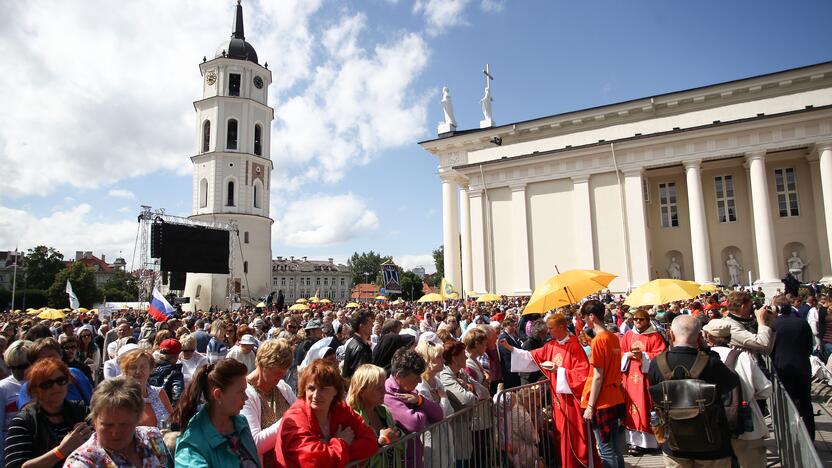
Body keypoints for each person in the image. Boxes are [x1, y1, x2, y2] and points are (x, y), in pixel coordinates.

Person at [500, 312, 600, 468]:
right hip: (558, 400)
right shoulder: (551, 345)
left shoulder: (575, 347)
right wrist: (511, 349)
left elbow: (582, 375)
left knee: (574, 436)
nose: (549, 331)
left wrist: (558, 370)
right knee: (561, 436)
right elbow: (530, 356)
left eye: (551, 328)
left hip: (571, 402)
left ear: (562, 327)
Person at [648, 315, 739, 467]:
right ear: (699, 336)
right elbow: (731, 384)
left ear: (670, 333)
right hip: (712, 444)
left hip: (674, 444)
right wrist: (708, 351)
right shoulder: (711, 362)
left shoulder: (657, 364)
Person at [274, 360, 377, 467]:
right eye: (311, 388)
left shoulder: (341, 409)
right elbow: (314, 462)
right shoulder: (295, 418)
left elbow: (370, 442)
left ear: (336, 391)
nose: (316, 395)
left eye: (323, 389)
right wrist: (341, 442)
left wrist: (329, 450)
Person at [702, 319, 772, 468]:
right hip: (745, 422)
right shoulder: (743, 357)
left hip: (712, 426)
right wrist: (747, 396)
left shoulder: (701, 359)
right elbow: (766, 389)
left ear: (708, 337)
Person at [63, 376, 172, 467]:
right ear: (94, 421)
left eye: (124, 425)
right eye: (107, 425)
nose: (115, 433)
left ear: (138, 418)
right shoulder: (82, 462)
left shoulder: (153, 438)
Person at [4, 358, 91, 468]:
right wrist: (61, 451)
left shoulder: (83, 411)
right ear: (35, 390)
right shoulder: (23, 423)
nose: (56, 387)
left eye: (61, 380)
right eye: (47, 384)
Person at [172, 358, 260, 467]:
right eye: (240, 392)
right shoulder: (191, 445)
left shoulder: (241, 423)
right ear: (218, 395)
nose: (246, 397)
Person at [581, 300, 626, 468]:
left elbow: (598, 376)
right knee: (616, 449)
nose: (584, 320)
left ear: (592, 316)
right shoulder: (612, 337)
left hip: (603, 401)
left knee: (606, 450)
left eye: (585, 317)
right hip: (615, 396)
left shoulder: (599, 340)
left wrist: (590, 406)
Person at [240, 339, 297, 468]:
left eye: (284, 372)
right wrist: (288, 419)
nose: (281, 376)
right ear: (262, 365)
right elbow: (255, 444)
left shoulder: (283, 388)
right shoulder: (244, 394)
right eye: (277, 372)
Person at [385, 348, 444, 466]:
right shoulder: (388, 394)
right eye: (416, 376)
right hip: (403, 462)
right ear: (400, 375)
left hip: (415, 459)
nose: (420, 380)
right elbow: (415, 424)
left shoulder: (412, 392)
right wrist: (421, 410)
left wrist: (420, 401)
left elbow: (439, 414)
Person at [619, 308, 666, 455]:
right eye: (635, 319)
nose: (638, 322)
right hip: (630, 378)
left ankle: (652, 443)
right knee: (631, 409)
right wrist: (626, 355)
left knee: (648, 408)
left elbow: (661, 356)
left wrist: (644, 356)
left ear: (647, 321)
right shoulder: (628, 335)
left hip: (646, 379)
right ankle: (635, 443)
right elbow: (620, 352)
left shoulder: (655, 337)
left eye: (641, 319)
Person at [439, 340, 487, 467]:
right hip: (455, 433)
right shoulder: (445, 376)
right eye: (462, 354)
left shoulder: (461, 372)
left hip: (465, 429)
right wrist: (471, 390)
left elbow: (484, 392)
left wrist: (469, 387)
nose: (466, 356)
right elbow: (468, 400)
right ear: (454, 358)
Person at [772, 299, 815, 440]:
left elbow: (770, 347)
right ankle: (810, 436)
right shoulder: (802, 322)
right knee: (805, 402)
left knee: (787, 402)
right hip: (802, 365)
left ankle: (789, 435)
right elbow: (810, 345)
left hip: (782, 366)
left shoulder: (775, 324)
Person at [345, 365, 402, 468]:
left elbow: (402, 444)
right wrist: (380, 442)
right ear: (362, 392)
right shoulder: (352, 418)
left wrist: (397, 435)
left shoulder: (384, 411)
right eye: (378, 388)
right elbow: (354, 456)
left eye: (383, 386)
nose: (384, 391)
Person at [16, 338, 92, 409]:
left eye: (52, 357)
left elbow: (92, 404)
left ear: (61, 356)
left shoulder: (75, 375)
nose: (48, 362)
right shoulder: (29, 387)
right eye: (41, 360)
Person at [415, 340, 455, 468]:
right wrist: (443, 399)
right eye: (439, 357)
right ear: (427, 360)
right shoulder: (420, 386)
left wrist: (442, 403)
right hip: (430, 439)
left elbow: (450, 413)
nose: (443, 360)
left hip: (444, 434)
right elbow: (437, 416)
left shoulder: (437, 381)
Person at [119, 349, 174, 428]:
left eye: (143, 367)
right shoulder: (119, 397)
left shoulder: (159, 393)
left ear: (151, 369)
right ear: (126, 371)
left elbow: (174, 421)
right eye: (133, 367)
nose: (138, 371)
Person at [0, 340, 33, 467]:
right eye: (11, 367)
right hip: (13, 454)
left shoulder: (46, 383)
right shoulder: (3, 388)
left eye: (22, 366)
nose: (16, 371)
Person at [149, 338, 185, 406]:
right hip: (165, 412)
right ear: (176, 356)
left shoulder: (150, 368)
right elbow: (178, 398)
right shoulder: (175, 373)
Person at [342, 311, 374, 380]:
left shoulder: (359, 344)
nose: (372, 325)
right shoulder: (360, 348)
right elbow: (361, 379)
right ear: (362, 326)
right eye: (370, 323)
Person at [497, 315, 522, 389]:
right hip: (509, 367)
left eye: (514, 326)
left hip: (516, 366)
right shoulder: (504, 337)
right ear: (505, 326)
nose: (513, 328)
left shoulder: (513, 337)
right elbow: (507, 353)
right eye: (511, 326)